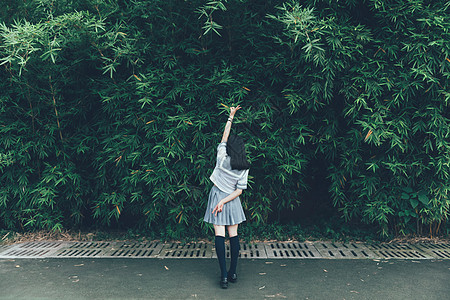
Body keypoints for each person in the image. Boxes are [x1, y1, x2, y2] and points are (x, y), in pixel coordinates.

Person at [204, 105, 250, 289]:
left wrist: (231, 116)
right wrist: (226, 200)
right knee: (234, 235)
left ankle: (223, 276)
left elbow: (224, 137)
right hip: (232, 199)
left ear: (229, 148)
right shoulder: (244, 167)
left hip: (217, 197)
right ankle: (233, 272)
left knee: (219, 235)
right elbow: (239, 191)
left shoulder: (222, 158)